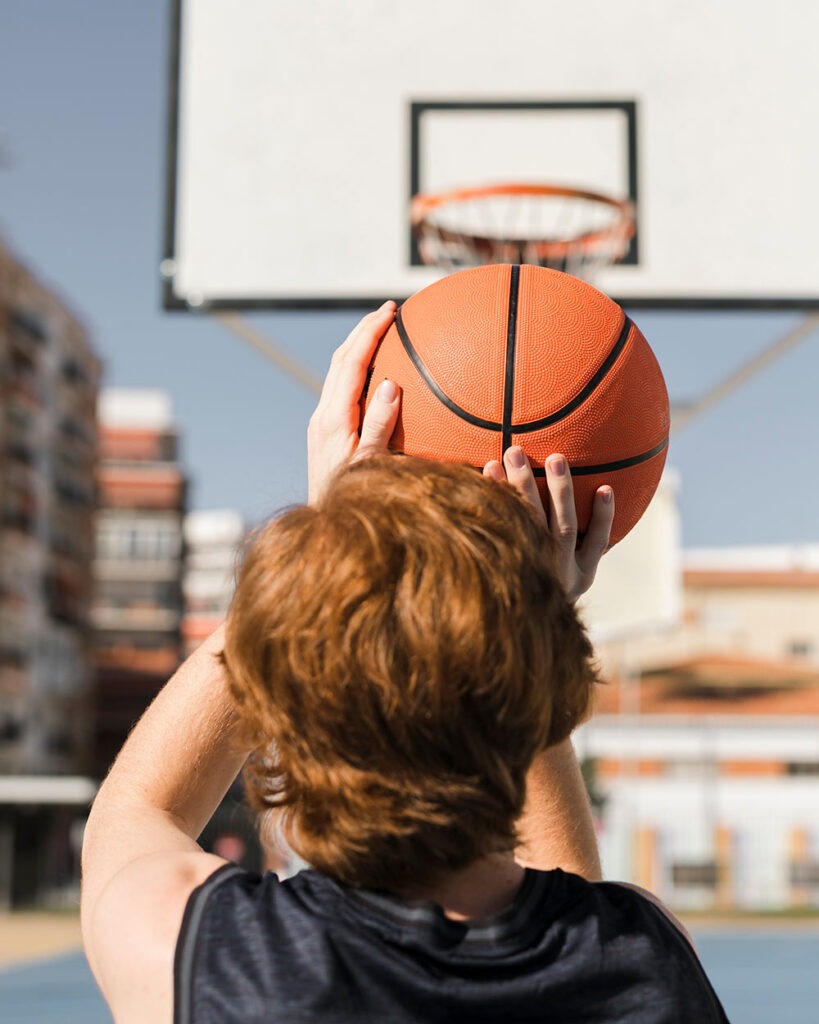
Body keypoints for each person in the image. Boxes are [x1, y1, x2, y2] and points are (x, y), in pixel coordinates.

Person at [81, 301, 729, 1023]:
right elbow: (565, 891)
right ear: (545, 694)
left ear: (285, 713)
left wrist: (336, 542)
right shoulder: (640, 963)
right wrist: (517, 600)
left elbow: (137, 810)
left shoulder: (217, 959)